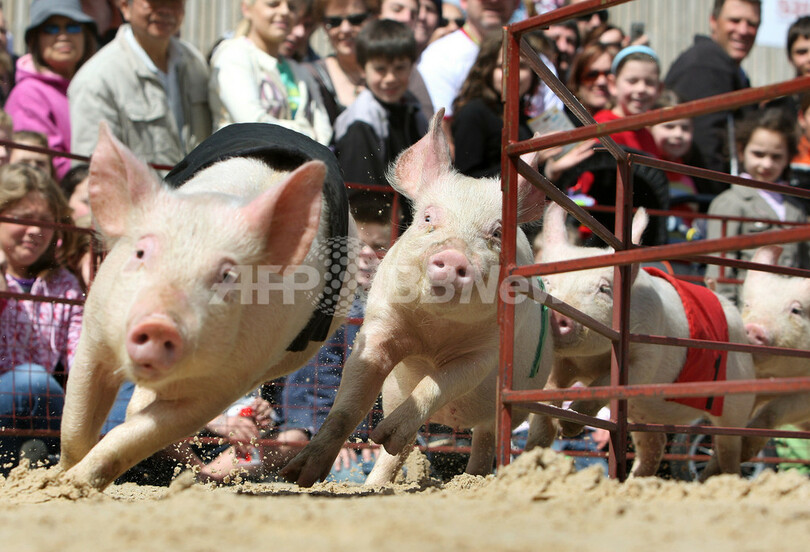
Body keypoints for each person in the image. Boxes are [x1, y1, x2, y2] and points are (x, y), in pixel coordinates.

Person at [275, 202, 389, 482]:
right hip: (319, 427)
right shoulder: (330, 308)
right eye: (357, 245)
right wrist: (329, 436)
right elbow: (317, 379)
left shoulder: (384, 308)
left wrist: (375, 438)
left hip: (364, 436)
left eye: (380, 247)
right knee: (347, 479)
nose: (366, 255)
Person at [0, 163, 83, 471]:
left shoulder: (65, 285)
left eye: (45, 222)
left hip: (43, 409)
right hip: (13, 397)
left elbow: (80, 358)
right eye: (23, 220)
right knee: (32, 380)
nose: (35, 231)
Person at [69, 0, 212, 170]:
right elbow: (93, 171)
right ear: (124, 7)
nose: (165, 10)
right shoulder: (97, 79)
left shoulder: (194, 63)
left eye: (175, 2)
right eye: (153, 2)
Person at [452, 32, 593, 181]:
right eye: (503, 66)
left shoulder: (521, 115)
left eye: (522, 66)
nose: (513, 73)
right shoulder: (473, 112)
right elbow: (466, 180)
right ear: (487, 69)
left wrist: (551, 170)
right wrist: (530, 158)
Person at [706, 108, 809, 306]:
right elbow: (720, 268)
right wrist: (728, 315)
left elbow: (804, 264)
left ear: (788, 158)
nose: (766, 164)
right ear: (741, 151)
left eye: (776, 156)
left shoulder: (795, 206)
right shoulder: (730, 202)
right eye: (758, 154)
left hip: (789, 311)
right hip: (747, 309)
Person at [333, 19, 427, 213]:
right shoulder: (359, 124)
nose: (390, 78)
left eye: (400, 68)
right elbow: (361, 198)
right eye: (380, 69)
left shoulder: (413, 110)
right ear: (362, 68)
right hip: (377, 227)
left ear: (412, 66)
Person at [208, 0, 332, 145]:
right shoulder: (234, 55)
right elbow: (253, 124)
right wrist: (306, 133)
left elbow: (324, 129)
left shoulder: (299, 71)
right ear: (247, 9)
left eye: (291, 7)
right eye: (273, 4)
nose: (285, 12)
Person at [665, 0, 760, 181]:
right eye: (734, 20)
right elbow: (706, 141)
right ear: (713, 21)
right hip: (703, 194)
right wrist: (716, 195)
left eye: (752, 24)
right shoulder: (707, 62)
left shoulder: (729, 68)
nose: (743, 30)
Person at [5, 0, 97, 180]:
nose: (63, 36)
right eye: (51, 28)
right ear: (35, 40)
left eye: (72, 27)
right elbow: (44, 168)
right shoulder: (28, 94)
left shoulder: (95, 84)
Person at [418, 0, 521, 118]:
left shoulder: (531, 55)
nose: (494, 1)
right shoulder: (439, 55)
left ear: (516, 3)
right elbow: (439, 126)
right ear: (464, 1)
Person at [305, 0, 377, 126]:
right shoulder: (310, 77)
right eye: (334, 22)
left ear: (373, 19)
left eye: (356, 19)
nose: (345, 29)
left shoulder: (396, 70)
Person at [593, 45, 662, 156]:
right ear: (613, 84)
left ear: (659, 89)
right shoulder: (604, 127)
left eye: (649, 82)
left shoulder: (648, 134)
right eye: (632, 81)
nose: (641, 89)